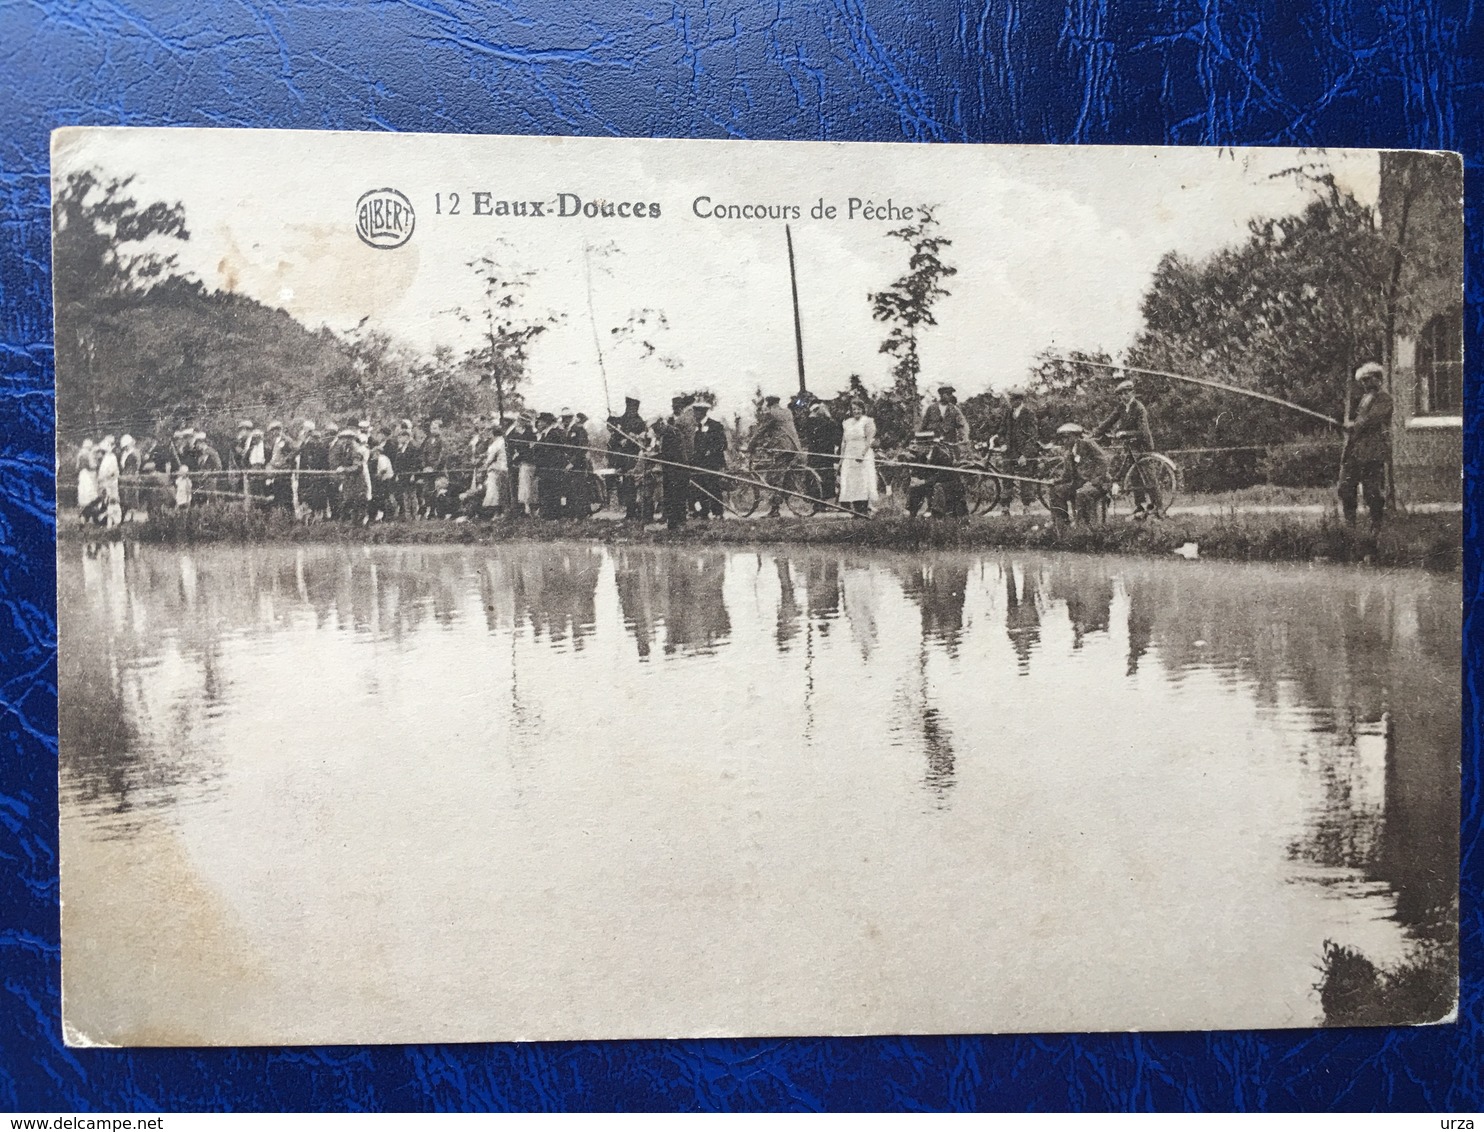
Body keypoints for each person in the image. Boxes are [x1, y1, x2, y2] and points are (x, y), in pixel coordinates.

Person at [1094, 378, 1160, 518]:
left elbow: (1143, 432)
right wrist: (1095, 433)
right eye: (1120, 394)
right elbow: (1109, 421)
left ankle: (1158, 508)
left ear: (1132, 393)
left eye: (1126, 393)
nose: (1123, 397)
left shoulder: (1139, 408)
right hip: (1130, 446)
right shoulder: (1121, 408)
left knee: (1149, 478)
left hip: (1143, 446)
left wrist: (1125, 433)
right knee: (1134, 477)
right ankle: (1140, 506)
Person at [1339, 361, 1393, 528]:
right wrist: (1351, 427)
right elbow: (1361, 422)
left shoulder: (1384, 399)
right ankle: (1350, 526)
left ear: (1378, 379)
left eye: (1367, 379)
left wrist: (1353, 426)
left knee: (1371, 492)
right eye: (1362, 381)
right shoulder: (1364, 399)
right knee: (1346, 488)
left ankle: (1376, 526)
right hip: (1355, 452)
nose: (1364, 384)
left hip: (1372, 453)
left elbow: (1372, 420)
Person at [920, 384, 970, 517]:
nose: (949, 396)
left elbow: (962, 425)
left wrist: (964, 438)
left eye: (950, 394)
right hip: (933, 448)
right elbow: (923, 427)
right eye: (946, 394)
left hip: (949, 448)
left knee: (949, 477)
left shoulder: (954, 410)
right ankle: (930, 506)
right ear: (941, 394)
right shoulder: (931, 409)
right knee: (930, 477)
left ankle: (951, 507)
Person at [749, 394, 802, 518]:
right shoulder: (787, 412)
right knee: (783, 473)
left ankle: (775, 509)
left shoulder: (771, 413)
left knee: (773, 477)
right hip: (794, 446)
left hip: (782, 448)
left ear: (768, 404)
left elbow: (761, 430)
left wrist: (750, 445)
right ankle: (786, 494)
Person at [1049, 422, 1112, 526]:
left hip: (1099, 483)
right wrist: (1056, 481)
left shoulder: (1087, 444)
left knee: (1082, 493)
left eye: (1067, 437)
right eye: (1063, 438)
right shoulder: (1069, 452)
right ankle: (1062, 523)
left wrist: (1094, 481)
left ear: (1075, 436)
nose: (1065, 441)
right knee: (1055, 491)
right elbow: (1067, 475)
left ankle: (1084, 524)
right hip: (1079, 483)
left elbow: (1103, 461)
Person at [999, 387, 1041, 513]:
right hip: (1010, 451)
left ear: (1020, 400)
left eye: (1013, 399)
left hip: (1024, 451)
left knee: (1025, 479)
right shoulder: (1008, 413)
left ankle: (1027, 507)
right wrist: (1003, 443)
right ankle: (1005, 508)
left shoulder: (1028, 413)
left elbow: (1033, 436)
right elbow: (1001, 431)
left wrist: (1025, 455)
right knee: (1006, 478)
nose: (1010, 402)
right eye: (1010, 399)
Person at [607, 393, 648, 521]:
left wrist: (629, 440)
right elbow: (613, 430)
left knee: (633, 484)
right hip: (623, 458)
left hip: (634, 457)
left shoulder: (639, 421)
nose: (631, 408)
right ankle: (629, 510)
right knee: (625, 485)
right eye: (629, 405)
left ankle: (634, 510)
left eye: (634, 405)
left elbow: (641, 440)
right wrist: (611, 420)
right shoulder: (622, 419)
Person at [837, 400, 878, 516]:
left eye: (858, 409)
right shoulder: (847, 422)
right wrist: (841, 458)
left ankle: (863, 509)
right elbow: (844, 442)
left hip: (862, 454)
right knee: (851, 481)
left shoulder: (868, 421)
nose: (856, 411)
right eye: (854, 409)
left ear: (863, 409)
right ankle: (855, 510)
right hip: (849, 455)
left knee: (863, 481)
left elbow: (870, 440)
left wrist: (862, 454)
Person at [801, 401, 843, 512]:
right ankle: (821, 502)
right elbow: (837, 437)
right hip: (825, 453)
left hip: (817, 453)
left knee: (817, 476)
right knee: (824, 477)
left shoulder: (812, 421)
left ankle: (818, 503)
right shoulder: (828, 422)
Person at [690, 398, 728, 519]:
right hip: (699, 463)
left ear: (703, 412)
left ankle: (718, 513)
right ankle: (703, 512)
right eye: (694, 412)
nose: (695, 415)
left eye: (697, 412)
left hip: (712, 463)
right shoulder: (696, 427)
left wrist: (711, 451)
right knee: (700, 488)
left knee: (713, 487)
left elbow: (723, 444)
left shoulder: (715, 426)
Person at [560, 407, 590, 518]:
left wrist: (572, 462)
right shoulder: (568, 430)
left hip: (578, 463)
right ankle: (571, 513)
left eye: (566, 418)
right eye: (563, 418)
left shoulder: (578, 429)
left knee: (578, 488)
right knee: (570, 489)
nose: (564, 420)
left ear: (570, 417)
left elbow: (581, 448)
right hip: (569, 463)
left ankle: (580, 514)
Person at [508, 412, 539, 518]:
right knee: (521, 484)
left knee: (528, 485)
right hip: (518, 461)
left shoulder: (530, 433)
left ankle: (529, 508)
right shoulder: (514, 432)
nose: (519, 422)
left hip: (527, 461)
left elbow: (529, 449)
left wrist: (519, 456)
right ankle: (521, 508)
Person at [94, 437, 121, 527]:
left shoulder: (112, 457)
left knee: (112, 503)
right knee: (105, 502)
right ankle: (106, 522)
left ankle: (115, 522)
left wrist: (107, 477)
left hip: (111, 483)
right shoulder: (104, 458)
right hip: (105, 483)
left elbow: (114, 472)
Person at [74, 437, 99, 522]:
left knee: (83, 495)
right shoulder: (89, 454)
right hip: (89, 475)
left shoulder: (80, 454)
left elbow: (77, 467)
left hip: (82, 475)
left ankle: (83, 517)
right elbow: (92, 466)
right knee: (91, 496)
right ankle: (91, 518)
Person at [118, 434, 141, 521]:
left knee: (132, 495)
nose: (125, 448)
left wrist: (132, 474)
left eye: (126, 446)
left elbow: (137, 465)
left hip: (132, 475)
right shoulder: (124, 453)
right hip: (124, 475)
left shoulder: (135, 452)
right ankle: (124, 515)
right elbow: (122, 464)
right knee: (124, 495)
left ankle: (132, 517)